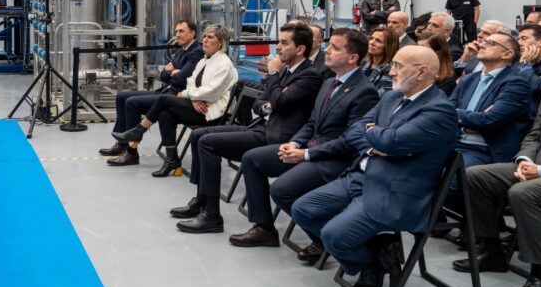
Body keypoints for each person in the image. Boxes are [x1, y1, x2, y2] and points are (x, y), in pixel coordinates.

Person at [291, 46, 459, 287]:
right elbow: (355, 130)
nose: (391, 72)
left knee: (334, 236)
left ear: (422, 72)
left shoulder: (440, 110)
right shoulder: (392, 97)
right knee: (303, 210)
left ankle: (370, 258)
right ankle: (376, 255)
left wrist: (377, 134)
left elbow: (392, 142)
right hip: (361, 176)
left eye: (398, 66)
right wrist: (375, 145)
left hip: (393, 190)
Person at [209, 29, 378, 258]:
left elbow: (350, 141)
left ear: (353, 57)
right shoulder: (330, 83)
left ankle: (323, 238)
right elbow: (312, 122)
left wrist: (306, 153)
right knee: (252, 159)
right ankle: (264, 228)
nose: (327, 50)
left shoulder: (364, 91)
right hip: (310, 148)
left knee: (281, 190)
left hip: (333, 159)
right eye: (329, 45)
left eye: (335, 48)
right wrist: (296, 143)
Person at [454, 34, 541, 287]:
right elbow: (535, 133)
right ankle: (492, 250)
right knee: (474, 176)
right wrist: (525, 159)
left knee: (524, 193)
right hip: (539, 166)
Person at [165, 23, 323, 235]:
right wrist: (269, 104)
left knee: (209, 143)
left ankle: (212, 216)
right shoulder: (286, 71)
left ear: (300, 49)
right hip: (263, 127)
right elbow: (260, 102)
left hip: (279, 137)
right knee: (199, 135)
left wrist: (273, 77)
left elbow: (279, 101)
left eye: (284, 43)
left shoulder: (309, 75)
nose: (278, 47)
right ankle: (203, 200)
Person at [111, 24, 238, 177]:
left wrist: (186, 95)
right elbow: (190, 81)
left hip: (210, 113)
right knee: (165, 114)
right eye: (204, 36)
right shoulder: (205, 61)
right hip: (197, 105)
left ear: (221, 43)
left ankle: (139, 131)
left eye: (210, 37)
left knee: (164, 100)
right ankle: (172, 160)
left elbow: (211, 92)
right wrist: (192, 97)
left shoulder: (224, 64)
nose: (205, 40)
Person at [104, 19, 203, 166]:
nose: (177, 34)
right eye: (176, 31)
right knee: (121, 97)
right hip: (166, 91)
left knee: (132, 103)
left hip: (175, 97)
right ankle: (121, 144)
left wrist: (172, 72)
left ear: (192, 33)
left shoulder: (196, 51)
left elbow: (182, 79)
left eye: (181, 31)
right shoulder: (180, 50)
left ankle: (131, 153)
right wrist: (172, 72)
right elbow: (162, 75)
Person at [449, 32, 529, 169]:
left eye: (490, 43)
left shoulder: (515, 83)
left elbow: (488, 120)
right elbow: (445, 112)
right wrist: (474, 117)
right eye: (483, 42)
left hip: (483, 149)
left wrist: (457, 114)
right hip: (453, 142)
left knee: (454, 176)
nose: (482, 45)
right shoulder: (468, 79)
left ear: (507, 54)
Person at [362, 26, 399, 93]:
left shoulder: (391, 70)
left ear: (389, 46)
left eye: (378, 41)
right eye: (371, 38)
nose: (372, 43)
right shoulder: (363, 64)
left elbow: (379, 95)